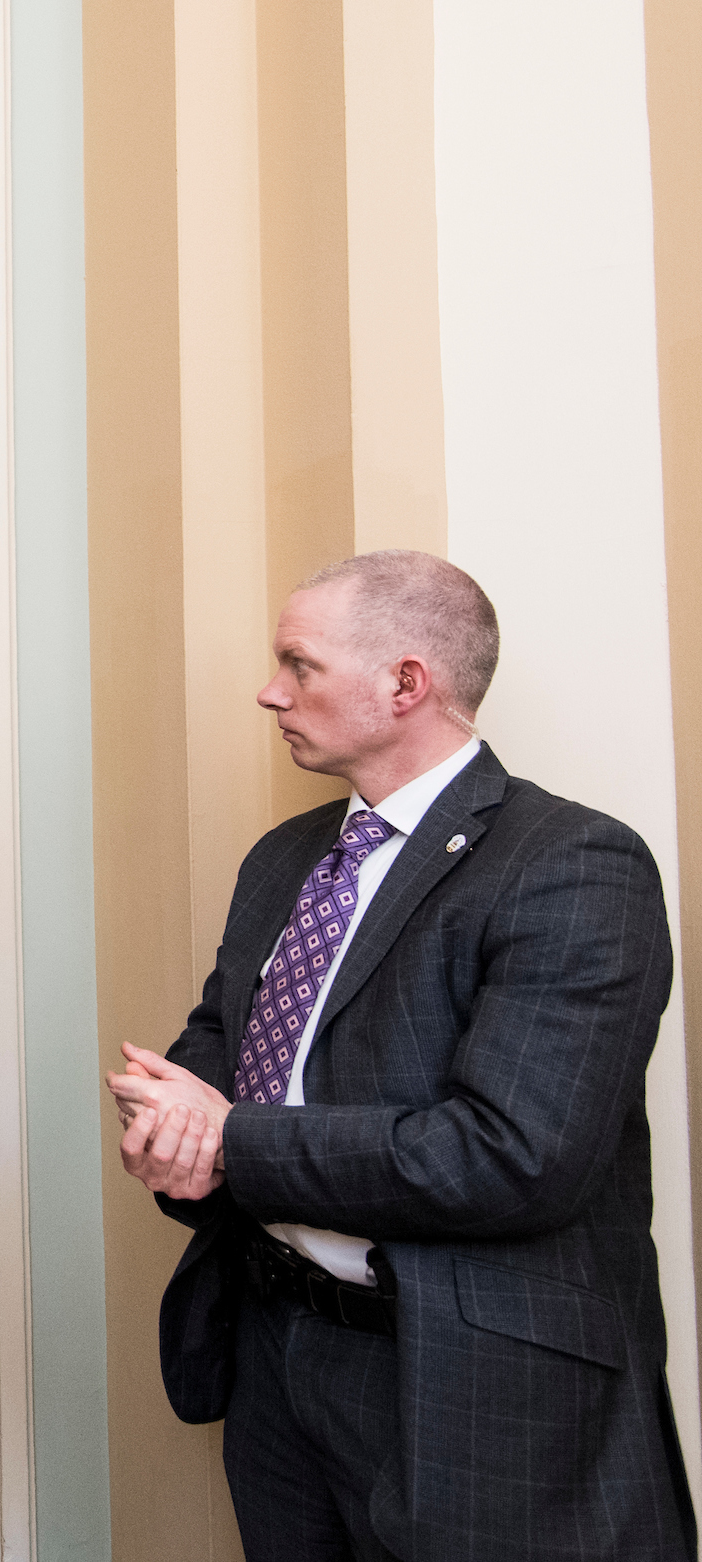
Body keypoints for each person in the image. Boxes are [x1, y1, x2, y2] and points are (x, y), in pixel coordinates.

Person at [108, 550, 695, 1562]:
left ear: (406, 683)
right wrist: (176, 1132)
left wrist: (232, 1141)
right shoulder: (286, 857)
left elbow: (512, 1154)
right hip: (278, 1354)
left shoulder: (572, 864)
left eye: (298, 664)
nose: (268, 689)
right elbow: (218, 1049)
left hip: (464, 1382)